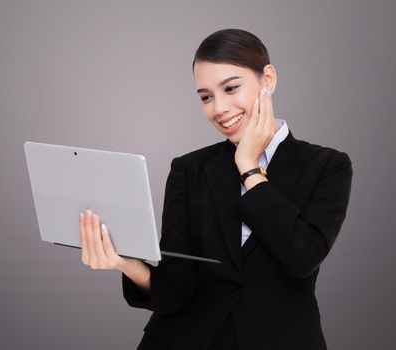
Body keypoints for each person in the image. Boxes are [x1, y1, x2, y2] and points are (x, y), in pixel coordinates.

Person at [78, 28, 353, 350]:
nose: (219, 108)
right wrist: (125, 262)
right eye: (206, 97)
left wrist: (249, 167)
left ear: (268, 79)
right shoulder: (189, 169)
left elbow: (302, 257)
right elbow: (177, 286)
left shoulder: (327, 165)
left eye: (231, 88)